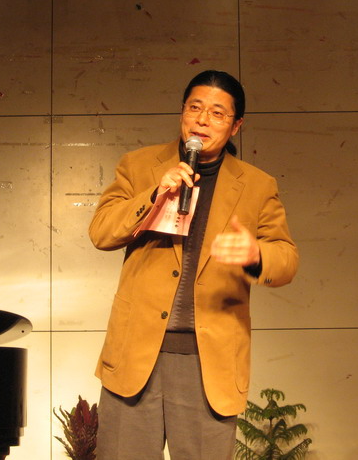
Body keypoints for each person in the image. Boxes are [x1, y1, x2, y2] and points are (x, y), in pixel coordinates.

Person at [88, 70, 298, 460]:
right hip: (135, 356)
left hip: (208, 363)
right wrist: (154, 195)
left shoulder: (257, 185)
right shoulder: (139, 165)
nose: (202, 120)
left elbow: (286, 260)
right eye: (194, 108)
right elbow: (101, 232)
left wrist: (255, 254)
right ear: (182, 111)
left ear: (236, 126)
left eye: (217, 113)